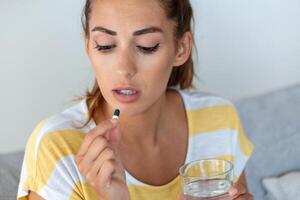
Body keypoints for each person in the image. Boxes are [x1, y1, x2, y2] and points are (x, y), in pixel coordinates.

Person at [17, 0, 254, 199]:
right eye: (106, 46)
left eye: (146, 47)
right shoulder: (57, 148)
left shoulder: (219, 120)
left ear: (181, 48)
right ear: (89, 46)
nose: (124, 69)